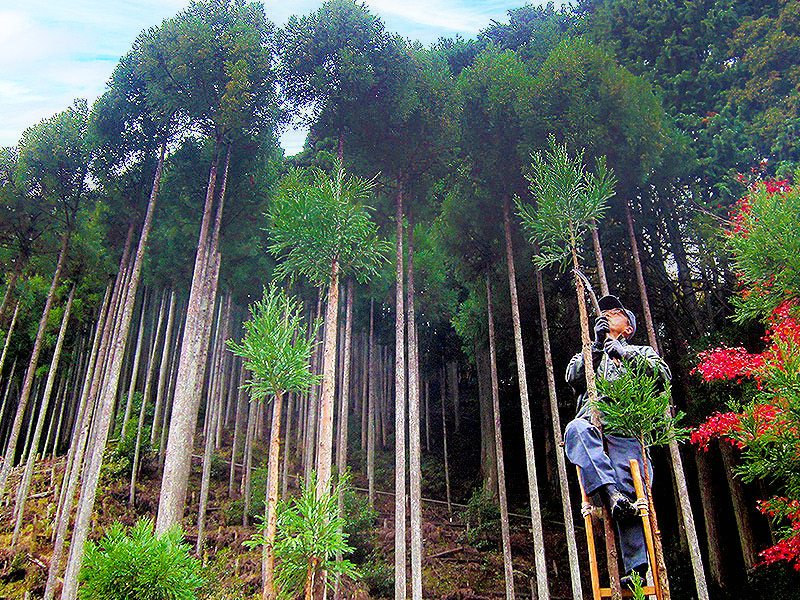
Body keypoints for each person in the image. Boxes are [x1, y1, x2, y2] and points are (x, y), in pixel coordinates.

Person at [563, 294, 671, 584]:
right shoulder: (588, 351)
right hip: (594, 425)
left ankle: (636, 570)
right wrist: (596, 347)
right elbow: (572, 377)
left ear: (628, 327)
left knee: (632, 489)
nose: (607, 314)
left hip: (627, 427)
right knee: (574, 430)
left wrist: (623, 353)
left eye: (615, 312)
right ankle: (610, 495)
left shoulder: (642, 350)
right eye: (605, 311)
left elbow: (663, 375)